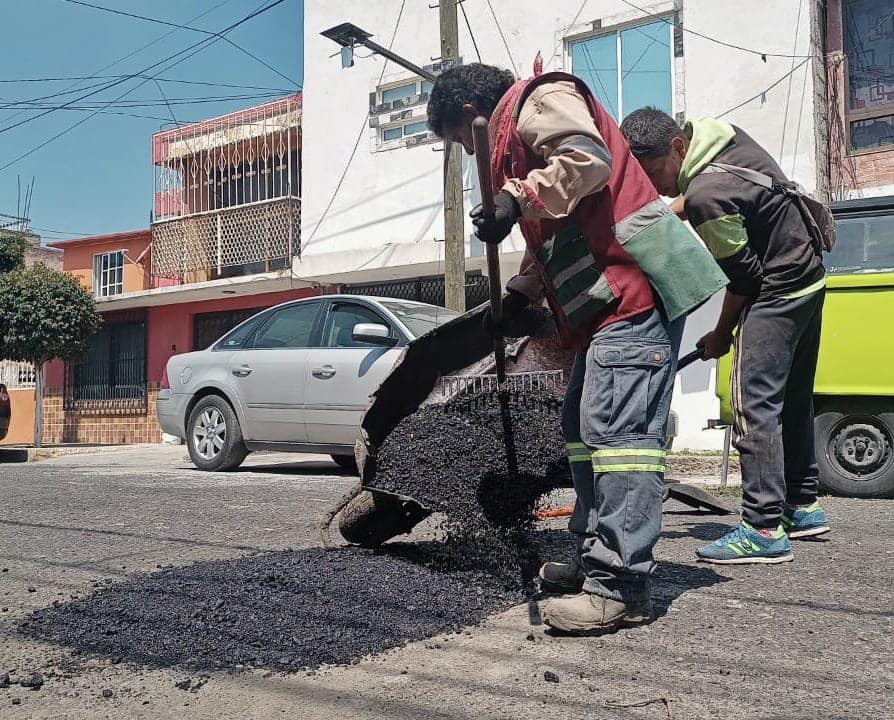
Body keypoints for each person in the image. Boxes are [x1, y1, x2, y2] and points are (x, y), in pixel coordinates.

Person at [426, 64, 725, 633]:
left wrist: (516, 197)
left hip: (634, 293)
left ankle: (621, 584)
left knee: (619, 439)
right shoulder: (523, 146)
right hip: (603, 313)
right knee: (584, 427)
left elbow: (589, 161)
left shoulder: (539, 101)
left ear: (470, 115)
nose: (471, 153)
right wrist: (518, 296)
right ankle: (594, 558)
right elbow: (557, 238)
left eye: (463, 141)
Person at [620, 108, 830, 565]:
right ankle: (803, 505)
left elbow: (745, 281)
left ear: (677, 147)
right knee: (790, 399)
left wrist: (720, 334)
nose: (654, 186)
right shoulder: (723, 139)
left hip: (776, 291)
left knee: (752, 407)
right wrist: (657, 214)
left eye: (654, 173)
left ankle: (762, 528)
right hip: (810, 277)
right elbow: (715, 195)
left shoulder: (706, 197)